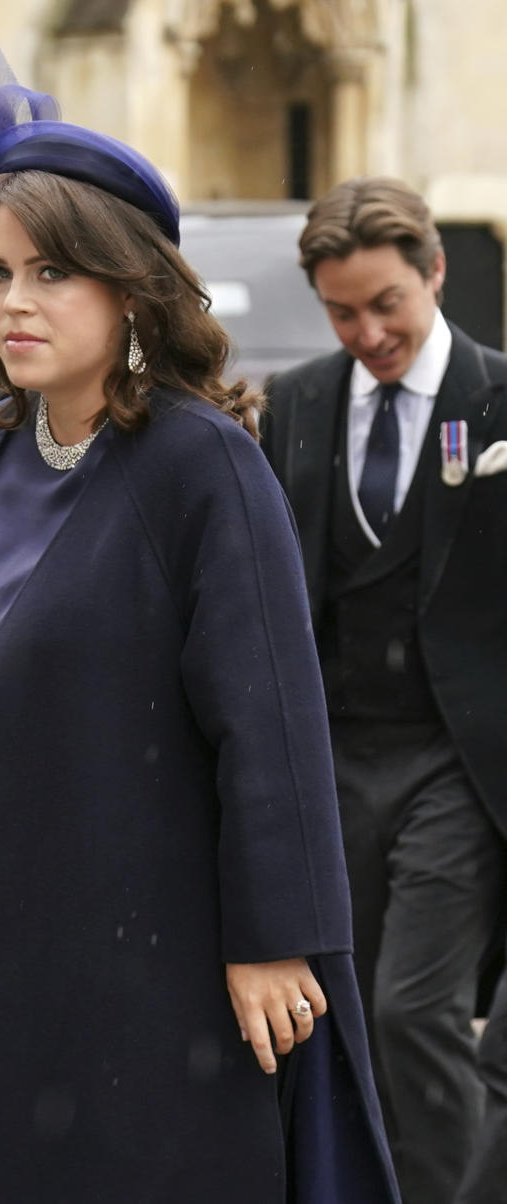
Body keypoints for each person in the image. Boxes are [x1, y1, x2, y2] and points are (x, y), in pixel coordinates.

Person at [0, 49, 400, 1204]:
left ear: (129, 284)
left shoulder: (202, 464)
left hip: (135, 948)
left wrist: (274, 935)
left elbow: (272, 719)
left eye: (52, 270)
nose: (15, 301)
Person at [262, 177, 507, 1204]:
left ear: (436, 274)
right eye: (341, 312)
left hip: (459, 762)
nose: (368, 332)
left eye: (387, 305)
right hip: (333, 760)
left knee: (414, 1007)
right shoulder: (301, 402)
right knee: (346, 1013)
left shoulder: (498, 402)